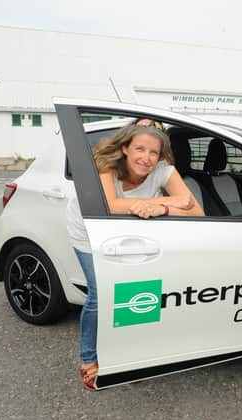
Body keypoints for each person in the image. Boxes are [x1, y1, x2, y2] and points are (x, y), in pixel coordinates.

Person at [66, 118, 204, 390]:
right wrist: (171, 200)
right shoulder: (107, 164)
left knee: (138, 293)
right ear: (126, 148)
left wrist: (162, 210)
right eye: (140, 149)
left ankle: (129, 356)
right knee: (102, 294)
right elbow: (112, 205)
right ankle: (89, 358)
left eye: (154, 152)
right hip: (89, 231)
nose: (147, 158)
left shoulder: (164, 170)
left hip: (131, 233)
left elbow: (196, 212)